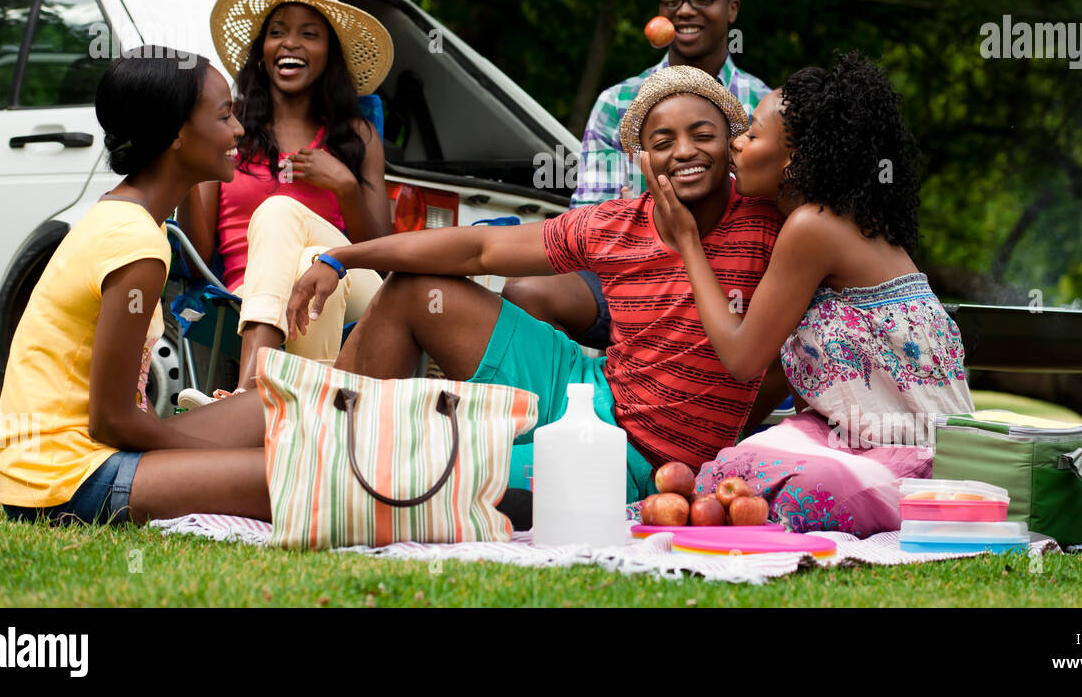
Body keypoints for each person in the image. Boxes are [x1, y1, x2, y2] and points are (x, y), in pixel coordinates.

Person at [284, 66, 783, 503]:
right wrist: (342, 256)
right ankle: (318, 434)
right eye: (662, 142)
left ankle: (323, 466)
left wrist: (726, 443)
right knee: (415, 290)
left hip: (635, 458)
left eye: (703, 134)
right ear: (641, 160)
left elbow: (788, 360)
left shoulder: (769, 226)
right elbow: (478, 250)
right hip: (585, 392)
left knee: (431, 473)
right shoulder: (614, 223)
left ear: (734, 143)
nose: (684, 152)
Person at [640, 51, 973, 536]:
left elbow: (742, 357)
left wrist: (688, 240)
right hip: (852, 439)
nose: (736, 143)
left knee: (784, 482)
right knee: (733, 469)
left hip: (923, 457)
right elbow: (800, 371)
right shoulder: (832, 221)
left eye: (752, 134)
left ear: (794, 163)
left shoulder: (811, 227)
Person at [501, 0, 789, 432]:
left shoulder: (765, 104)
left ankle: (724, 441)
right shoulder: (618, 102)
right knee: (527, 291)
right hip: (631, 270)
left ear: (731, 9)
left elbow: (776, 210)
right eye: (672, 0)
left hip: (734, 277)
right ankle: (560, 428)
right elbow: (591, 213)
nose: (686, 11)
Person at [0, 47, 270, 525]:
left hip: (88, 454)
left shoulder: (140, 221)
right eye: (225, 116)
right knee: (294, 475)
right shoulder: (134, 241)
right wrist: (203, 454)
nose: (239, 131)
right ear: (177, 134)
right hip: (65, 479)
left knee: (281, 409)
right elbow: (111, 420)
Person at [177, 0, 394, 390]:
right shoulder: (226, 128)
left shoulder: (356, 135)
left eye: (309, 34)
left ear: (330, 54)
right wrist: (192, 165)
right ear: (262, 51)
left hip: (351, 282)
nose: (290, 43)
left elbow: (380, 256)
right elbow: (196, 256)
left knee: (285, 218)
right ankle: (303, 423)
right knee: (310, 261)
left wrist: (345, 186)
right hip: (249, 290)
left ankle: (248, 391)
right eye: (277, 32)